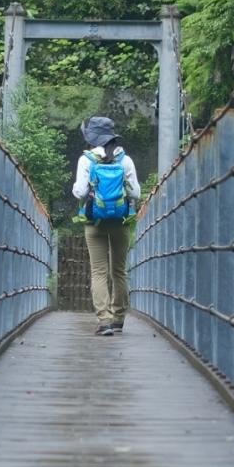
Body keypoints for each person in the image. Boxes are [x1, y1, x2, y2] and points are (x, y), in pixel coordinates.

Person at [72, 115, 140, 335]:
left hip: (94, 221)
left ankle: (104, 321)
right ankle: (118, 318)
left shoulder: (86, 160)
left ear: (91, 138)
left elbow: (80, 192)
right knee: (119, 271)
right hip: (121, 221)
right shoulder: (125, 160)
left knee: (99, 272)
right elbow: (136, 193)